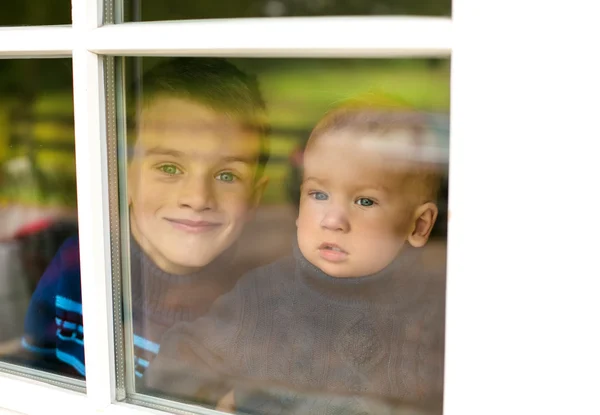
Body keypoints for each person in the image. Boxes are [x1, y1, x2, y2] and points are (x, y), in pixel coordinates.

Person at [145, 102, 446, 414]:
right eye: (319, 195)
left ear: (419, 224)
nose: (332, 220)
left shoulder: (436, 308)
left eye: (365, 200)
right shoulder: (265, 296)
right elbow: (185, 360)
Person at [18, 57, 270, 379]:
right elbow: (36, 379)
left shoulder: (255, 306)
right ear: (124, 177)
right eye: (169, 168)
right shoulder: (77, 267)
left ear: (255, 198)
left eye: (227, 175)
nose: (197, 198)